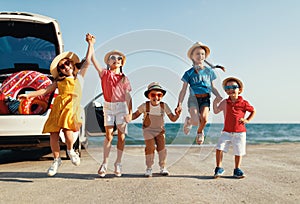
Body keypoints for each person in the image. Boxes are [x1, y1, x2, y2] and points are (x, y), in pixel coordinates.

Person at [18, 34, 94, 176]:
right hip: (58, 107)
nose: (65, 67)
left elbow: (88, 61)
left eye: (66, 64)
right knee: (53, 134)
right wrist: (28, 95)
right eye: (61, 67)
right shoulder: (59, 81)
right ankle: (56, 159)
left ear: (72, 64)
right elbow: (44, 90)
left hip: (71, 108)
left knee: (67, 131)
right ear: (59, 71)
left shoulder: (79, 77)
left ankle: (71, 150)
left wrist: (90, 43)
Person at [88, 34, 132, 178]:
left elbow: (128, 96)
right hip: (108, 106)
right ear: (108, 61)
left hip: (122, 107)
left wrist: (130, 112)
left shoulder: (124, 78)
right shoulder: (104, 73)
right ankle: (105, 163)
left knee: (121, 136)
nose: (116, 60)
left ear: (122, 63)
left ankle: (118, 163)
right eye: (113, 58)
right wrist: (91, 43)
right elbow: (92, 59)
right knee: (108, 135)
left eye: (119, 58)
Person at [175, 42, 223, 145]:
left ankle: (200, 132)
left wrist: (218, 95)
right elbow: (183, 90)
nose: (200, 56)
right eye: (197, 53)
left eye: (202, 54)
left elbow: (212, 87)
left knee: (204, 119)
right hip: (193, 99)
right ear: (192, 56)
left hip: (205, 99)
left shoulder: (209, 72)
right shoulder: (189, 73)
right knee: (196, 121)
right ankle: (189, 121)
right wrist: (179, 103)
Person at [132, 82, 181, 177]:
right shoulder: (145, 106)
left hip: (160, 131)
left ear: (162, 96)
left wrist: (177, 115)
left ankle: (163, 167)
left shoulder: (164, 106)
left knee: (162, 149)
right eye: (153, 95)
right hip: (148, 131)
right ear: (148, 96)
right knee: (150, 148)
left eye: (159, 95)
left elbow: (173, 119)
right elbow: (134, 115)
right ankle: (149, 168)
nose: (156, 97)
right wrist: (127, 116)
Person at [213, 77, 256, 178]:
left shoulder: (244, 102)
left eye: (233, 87)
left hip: (240, 132)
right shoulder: (225, 102)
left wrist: (247, 120)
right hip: (226, 131)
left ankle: (237, 169)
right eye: (227, 88)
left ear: (239, 90)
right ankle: (219, 168)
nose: (230, 89)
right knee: (219, 148)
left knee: (238, 151)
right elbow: (216, 111)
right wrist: (215, 102)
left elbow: (253, 111)